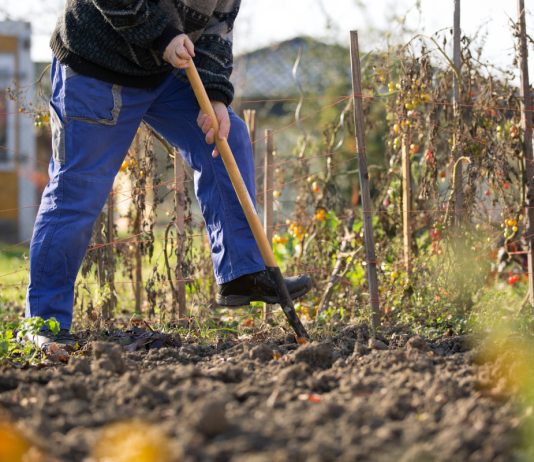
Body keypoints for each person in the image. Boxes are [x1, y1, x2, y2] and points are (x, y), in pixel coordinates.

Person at [25, 0, 311, 348]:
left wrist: (216, 95)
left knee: (226, 136)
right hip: (97, 66)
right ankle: (46, 325)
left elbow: (217, 29)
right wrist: (165, 35)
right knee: (77, 192)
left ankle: (242, 272)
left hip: (162, 72)